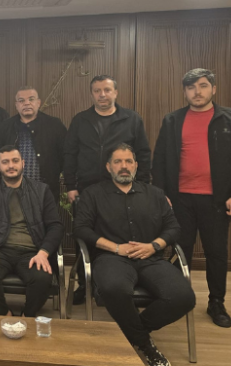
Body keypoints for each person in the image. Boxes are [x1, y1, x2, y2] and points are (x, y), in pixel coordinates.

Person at [74, 144, 196, 366]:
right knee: (114, 289)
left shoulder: (155, 194)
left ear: (136, 165)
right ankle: (146, 346)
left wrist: (154, 246)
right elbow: (81, 229)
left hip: (151, 257)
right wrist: (115, 247)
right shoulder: (93, 194)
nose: (124, 166)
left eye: (128, 161)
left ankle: (133, 332)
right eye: (118, 162)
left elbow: (173, 228)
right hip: (111, 258)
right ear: (108, 167)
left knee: (184, 297)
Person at [153, 68, 231, 328]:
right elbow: (160, 160)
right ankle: (176, 299)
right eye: (191, 87)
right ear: (185, 91)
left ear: (213, 89)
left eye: (203, 86)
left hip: (217, 200)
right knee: (179, 250)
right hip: (179, 199)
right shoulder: (172, 120)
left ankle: (216, 302)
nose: (197, 92)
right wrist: (160, 195)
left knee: (216, 252)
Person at [64, 75, 151, 304]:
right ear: (92, 94)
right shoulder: (81, 120)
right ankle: (84, 285)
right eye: (97, 90)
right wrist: (71, 186)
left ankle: (116, 283)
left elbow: (143, 153)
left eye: (107, 90)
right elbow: (70, 154)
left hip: (122, 188)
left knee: (117, 233)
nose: (102, 94)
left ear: (115, 92)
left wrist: (141, 186)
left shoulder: (131, 119)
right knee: (85, 234)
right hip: (86, 189)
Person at [0, 145, 63, 317]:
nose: (11, 166)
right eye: (5, 162)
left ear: (23, 163)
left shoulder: (42, 190)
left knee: (42, 278)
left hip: (32, 251)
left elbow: (55, 226)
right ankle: (4, 314)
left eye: (15, 161)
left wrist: (43, 253)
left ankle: (28, 316)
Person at [0, 86, 67, 202]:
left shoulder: (54, 125)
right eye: (21, 100)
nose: (26, 103)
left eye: (31, 99)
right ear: (16, 105)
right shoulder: (5, 127)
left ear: (38, 103)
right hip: (12, 190)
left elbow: (66, 156)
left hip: (46, 190)